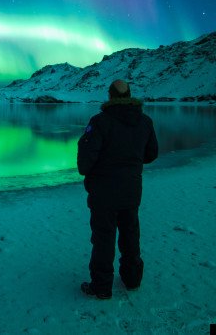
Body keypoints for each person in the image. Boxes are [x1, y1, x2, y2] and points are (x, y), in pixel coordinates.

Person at [77, 79, 158, 299]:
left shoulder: (100, 122)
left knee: (103, 238)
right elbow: (151, 154)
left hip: (103, 193)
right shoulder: (145, 122)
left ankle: (101, 287)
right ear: (129, 95)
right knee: (130, 233)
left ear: (110, 96)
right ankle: (132, 280)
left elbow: (84, 164)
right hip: (132, 190)